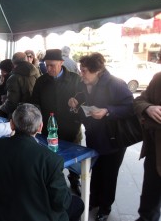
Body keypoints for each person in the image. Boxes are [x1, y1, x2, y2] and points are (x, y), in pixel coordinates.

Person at [0, 103, 84, 221]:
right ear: (40, 127)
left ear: (12, 124)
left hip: (1, 215)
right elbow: (61, 202)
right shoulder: (51, 160)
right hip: (36, 216)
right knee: (77, 204)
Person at [68, 52, 134, 221]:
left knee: (109, 173)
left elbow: (131, 107)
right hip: (93, 135)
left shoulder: (115, 84)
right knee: (95, 171)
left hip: (113, 138)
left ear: (97, 71)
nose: (81, 74)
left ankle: (105, 207)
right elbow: (81, 98)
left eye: (84, 71)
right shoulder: (84, 83)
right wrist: (74, 101)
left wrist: (108, 111)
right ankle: (94, 199)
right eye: (81, 70)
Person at [31, 49, 82, 196]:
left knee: (74, 159)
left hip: (71, 127)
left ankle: (74, 180)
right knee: (50, 158)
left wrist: (77, 108)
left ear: (61, 63)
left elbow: (84, 99)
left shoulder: (75, 79)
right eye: (46, 65)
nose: (48, 69)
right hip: (48, 127)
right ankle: (52, 183)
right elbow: (35, 103)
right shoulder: (41, 81)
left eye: (52, 65)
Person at [134, 72, 161, 221]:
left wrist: (147, 121)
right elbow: (139, 101)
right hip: (154, 151)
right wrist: (148, 108)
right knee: (149, 195)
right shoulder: (158, 78)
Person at [0, 52, 40, 118]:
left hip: (19, 115)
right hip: (34, 113)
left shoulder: (13, 78)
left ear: (13, 62)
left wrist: (2, 108)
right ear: (26, 60)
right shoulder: (37, 72)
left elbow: (12, 102)